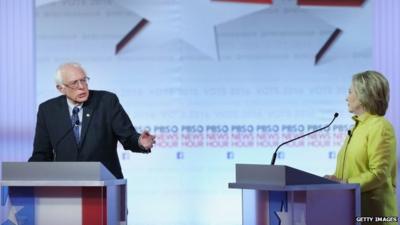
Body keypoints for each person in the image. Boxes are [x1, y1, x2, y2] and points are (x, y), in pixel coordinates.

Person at [29, 62, 156, 179]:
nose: (82, 87)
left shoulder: (106, 102)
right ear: (61, 88)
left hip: (104, 184)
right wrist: (28, 176)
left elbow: (128, 137)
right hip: (65, 186)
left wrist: (140, 141)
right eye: (74, 83)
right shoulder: (48, 110)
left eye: (84, 80)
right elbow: (41, 155)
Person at [325, 71, 397, 224]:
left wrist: (346, 184)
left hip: (374, 216)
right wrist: (335, 180)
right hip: (351, 211)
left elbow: (379, 173)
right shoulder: (356, 128)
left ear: (364, 94)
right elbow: (353, 170)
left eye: (350, 92)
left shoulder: (380, 127)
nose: (346, 98)